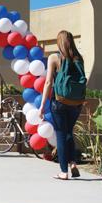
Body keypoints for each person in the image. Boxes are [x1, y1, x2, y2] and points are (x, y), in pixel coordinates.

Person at [39, 30, 87, 180]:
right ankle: (73, 163)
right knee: (68, 132)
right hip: (76, 103)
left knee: (61, 134)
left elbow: (48, 83)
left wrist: (41, 106)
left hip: (59, 102)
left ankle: (63, 171)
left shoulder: (54, 58)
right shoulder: (79, 58)